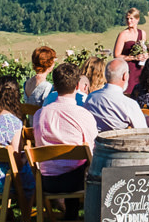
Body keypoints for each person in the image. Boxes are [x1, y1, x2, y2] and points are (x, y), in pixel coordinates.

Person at [32, 61, 99, 194]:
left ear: (55, 85)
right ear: (77, 86)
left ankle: (65, 209)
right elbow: (93, 149)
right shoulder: (83, 115)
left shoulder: (40, 114)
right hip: (77, 180)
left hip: (46, 180)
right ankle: (73, 211)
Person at [84, 58, 148, 132]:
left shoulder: (91, 98)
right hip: (119, 142)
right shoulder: (129, 104)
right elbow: (143, 133)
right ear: (125, 76)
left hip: (96, 142)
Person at [113, 8, 148, 92]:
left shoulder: (142, 33)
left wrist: (145, 56)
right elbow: (116, 55)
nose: (129, 21)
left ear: (137, 19)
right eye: (127, 19)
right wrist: (134, 57)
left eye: (131, 18)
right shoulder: (123, 34)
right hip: (127, 69)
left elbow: (145, 50)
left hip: (140, 68)